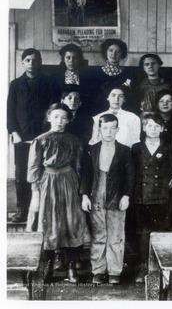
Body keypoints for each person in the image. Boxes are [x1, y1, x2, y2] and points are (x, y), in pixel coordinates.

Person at [26, 103, 91, 284]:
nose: (59, 121)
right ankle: (48, 267)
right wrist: (35, 194)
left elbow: (79, 167)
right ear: (48, 118)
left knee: (72, 222)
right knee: (49, 224)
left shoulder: (75, 141)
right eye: (55, 117)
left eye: (63, 117)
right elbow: (33, 169)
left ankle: (71, 266)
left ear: (68, 120)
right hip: (47, 183)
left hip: (69, 182)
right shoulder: (39, 140)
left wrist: (81, 192)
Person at [82, 114, 134, 284]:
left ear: (118, 129)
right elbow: (86, 175)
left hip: (116, 196)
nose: (109, 132)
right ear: (99, 129)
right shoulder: (92, 149)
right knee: (98, 234)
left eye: (113, 128)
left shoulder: (125, 151)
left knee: (116, 234)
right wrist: (84, 196)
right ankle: (98, 270)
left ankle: (114, 272)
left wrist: (126, 195)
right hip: (96, 194)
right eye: (105, 128)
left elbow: (130, 175)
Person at [7, 48, 56, 222]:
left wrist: (48, 132)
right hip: (22, 138)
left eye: (35, 60)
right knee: (22, 174)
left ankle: (44, 210)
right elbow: (10, 111)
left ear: (40, 62)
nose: (31, 63)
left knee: (44, 171)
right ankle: (22, 209)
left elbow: (53, 109)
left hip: (44, 136)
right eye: (28, 60)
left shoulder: (49, 82)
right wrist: (14, 132)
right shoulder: (15, 84)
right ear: (23, 62)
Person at [132, 113, 172, 283]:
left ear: (163, 129)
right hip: (141, 197)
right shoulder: (136, 148)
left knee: (159, 231)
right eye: (150, 126)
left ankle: (158, 265)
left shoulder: (169, 148)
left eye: (157, 126)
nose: (153, 129)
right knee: (143, 232)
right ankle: (143, 266)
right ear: (144, 128)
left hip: (161, 196)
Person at [84, 38, 136, 114]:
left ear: (122, 54)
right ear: (106, 52)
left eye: (117, 52)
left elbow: (130, 97)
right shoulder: (95, 73)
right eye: (110, 50)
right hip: (99, 111)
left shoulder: (128, 74)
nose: (113, 54)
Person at [52, 43, 90, 110]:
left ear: (79, 60)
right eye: (68, 58)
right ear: (63, 59)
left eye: (74, 58)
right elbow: (54, 99)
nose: (71, 61)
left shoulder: (87, 77)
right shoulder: (55, 77)